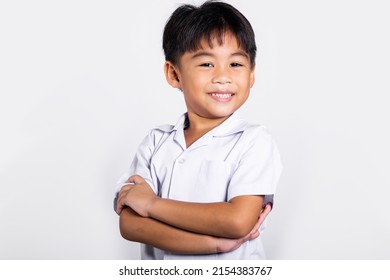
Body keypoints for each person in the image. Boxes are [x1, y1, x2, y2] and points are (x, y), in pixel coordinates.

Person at [114, 0, 282, 260]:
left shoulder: (254, 140)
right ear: (174, 74)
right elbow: (131, 224)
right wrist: (215, 243)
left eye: (236, 64)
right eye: (206, 64)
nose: (223, 76)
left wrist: (151, 204)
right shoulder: (156, 142)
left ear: (251, 74)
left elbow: (237, 221)